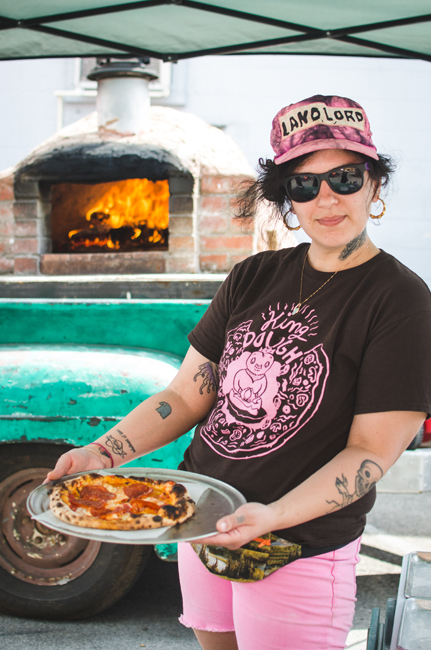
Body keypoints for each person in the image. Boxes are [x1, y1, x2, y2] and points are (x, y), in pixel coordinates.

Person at [47, 95, 431, 650]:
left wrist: (272, 514)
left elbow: (369, 452)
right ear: (287, 200)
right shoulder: (253, 275)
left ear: (374, 186)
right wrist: (101, 454)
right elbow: (185, 396)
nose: (326, 198)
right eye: (303, 184)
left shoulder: (400, 300)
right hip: (199, 519)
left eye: (345, 178)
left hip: (298, 541)